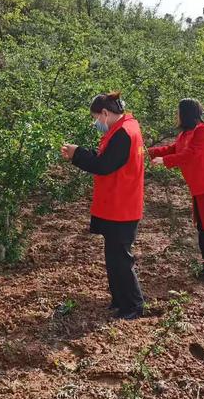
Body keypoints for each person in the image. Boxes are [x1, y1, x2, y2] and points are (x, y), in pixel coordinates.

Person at [61, 91, 145, 320]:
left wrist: (77, 153)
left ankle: (133, 306)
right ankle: (120, 301)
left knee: (121, 259)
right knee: (114, 257)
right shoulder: (126, 128)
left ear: (105, 113)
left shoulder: (124, 133)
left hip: (122, 205)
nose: (96, 123)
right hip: (118, 203)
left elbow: (103, 165)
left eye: (96, 117)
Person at [149, 98, 204, 283]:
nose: (176, 116)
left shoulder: (203, 131)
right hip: (201, 186)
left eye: (178, 112)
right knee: (203, 227)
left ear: (186, 113)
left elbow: (191, 154)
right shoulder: (186, 134)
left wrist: (165, 161)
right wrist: (148, 152)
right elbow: (174, 148)